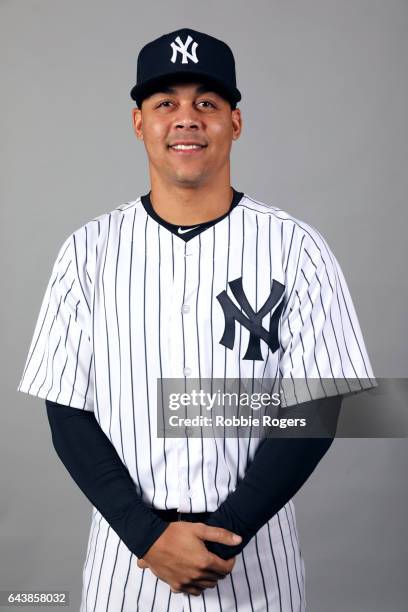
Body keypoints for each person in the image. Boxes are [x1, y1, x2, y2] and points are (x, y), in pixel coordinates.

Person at [17, 27, 376, 612]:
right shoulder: (88, 250)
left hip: (255, 561)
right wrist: (147, 537)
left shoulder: (296, 247)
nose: (186, 118)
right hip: (127, 563)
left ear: (235, 122)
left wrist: (229, 531)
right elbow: (65, 411)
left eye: (206, 103)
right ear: (139, 123)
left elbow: (322, 407)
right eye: (166, 104)